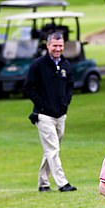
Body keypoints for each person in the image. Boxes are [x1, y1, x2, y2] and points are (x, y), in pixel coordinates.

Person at [24, 32, 77, 192]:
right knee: (53, 149)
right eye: (54, 45)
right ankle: (62, 183)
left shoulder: (66, 65)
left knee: (51, 150)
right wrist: (42, 105)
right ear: (48, 46)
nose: (57, 49)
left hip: (60, 114)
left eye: (60, 45)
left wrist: (65, 103)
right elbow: (28, 88)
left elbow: (70, 86)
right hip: (44, 115)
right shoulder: (38, 65)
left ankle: (43, 183)